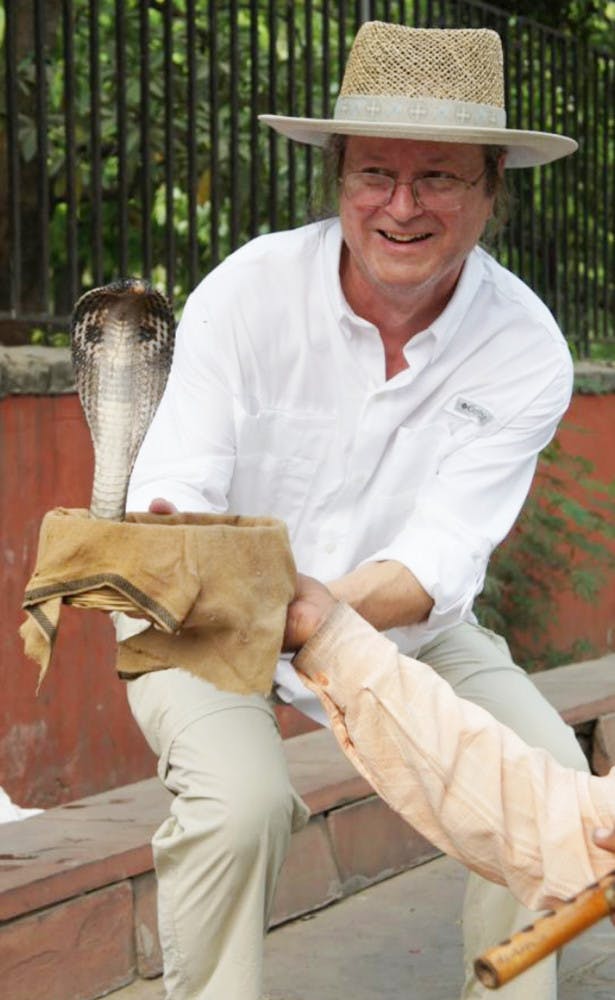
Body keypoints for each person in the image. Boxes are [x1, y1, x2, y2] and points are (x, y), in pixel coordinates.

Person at [121, 21, 586, 1000]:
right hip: (207, 614)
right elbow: (175, 503)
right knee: (242, 805)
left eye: (442, 178)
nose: (402, 206)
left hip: (400, 627)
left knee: (553, 795)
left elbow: (439, 562)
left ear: (493, 190)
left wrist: (319, 612)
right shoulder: (248, 293)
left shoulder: (525, 348)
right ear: (338, 178)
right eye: (376, 171)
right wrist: (245, 589)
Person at [284, 573, 615, 912]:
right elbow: (560, 824)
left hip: (418, 624)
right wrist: (332, 636)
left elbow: (566, 832)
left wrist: (330, 628)